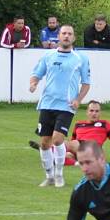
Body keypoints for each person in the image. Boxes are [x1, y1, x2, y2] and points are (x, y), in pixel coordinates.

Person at [29, 24, 91, 188]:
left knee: (58, 139)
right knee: (44, 143)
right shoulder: (48, 55)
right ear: (58, 36)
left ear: (74, 38)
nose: (66, 36)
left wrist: (78, 99)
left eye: (69, 34)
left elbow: (86, 83)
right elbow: (36, 74)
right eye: (63, 33)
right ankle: (49, 176)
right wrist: (33, 83)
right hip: (47, 103)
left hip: (66, 105)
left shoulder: (81, 59)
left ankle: (59, 174)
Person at [29, 100, 110, 166]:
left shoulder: (105, 124)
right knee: (68, 154)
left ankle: (47, 148)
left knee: (69, 144)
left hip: (95, 151)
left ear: (100, 113)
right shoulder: (79, 124)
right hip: (79, 150)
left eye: (96, 111)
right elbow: (73, 141)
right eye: (91, 111)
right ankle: (74, 162)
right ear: (87, 112)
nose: (94, 113)